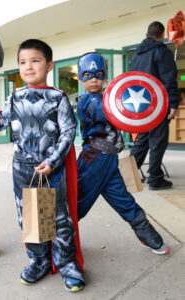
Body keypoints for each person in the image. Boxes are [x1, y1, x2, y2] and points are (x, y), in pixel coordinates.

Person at [0, 39, 85, 292]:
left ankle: (67, 265)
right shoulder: (15, 97)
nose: (28, 67)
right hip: (22, 169)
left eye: (35, 61)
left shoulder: (58, 97)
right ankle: (38, 261)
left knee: (58, 220)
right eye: (23, 62)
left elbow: (69, 133)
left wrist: (52, 161)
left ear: (49, 65)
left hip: (50, 170)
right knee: (31, 220)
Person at [76, 52, 170, 256]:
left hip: (109, 160)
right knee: (77, 203)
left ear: (105, 75)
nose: (93, 79)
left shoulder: (111, 96)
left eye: (98, 74)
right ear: (80, 78)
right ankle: (59, 241)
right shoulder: (86, 102)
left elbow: (126, 112)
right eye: (87, 74)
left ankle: (148, 236)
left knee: (123, 200)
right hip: (93, 159)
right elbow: (110, 111)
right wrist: (127, 97)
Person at [130, 21, 179, 190]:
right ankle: (155, 179)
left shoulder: (136, 55)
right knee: (157, 142)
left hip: (140, 104)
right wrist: (173, 103)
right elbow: (169, 79)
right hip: (158, 104)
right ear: (162, 35)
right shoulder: (161, 51)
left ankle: (128, 177)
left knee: (141, 141)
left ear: (146, 35)